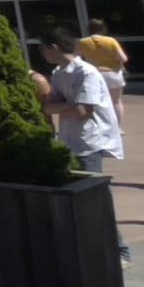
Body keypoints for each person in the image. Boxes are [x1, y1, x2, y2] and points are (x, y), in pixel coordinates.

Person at [43, 36, 129, 264]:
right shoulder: (59, 73)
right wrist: (65, 107)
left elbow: (83, 111)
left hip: (90, 142)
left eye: (42, 48)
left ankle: (120, 251)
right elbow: (48, 105)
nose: (42, 54)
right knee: (78, 198)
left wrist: (62, 107)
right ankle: (92, 249)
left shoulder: (86, 72)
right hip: (70, 141)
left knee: (94, 197)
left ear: (54, 47)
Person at [79, 20, 132, 102]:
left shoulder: (82, 42)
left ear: (88, 29)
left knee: (97, 101)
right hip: (113, 74)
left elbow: (77, 59)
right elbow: (124, 58)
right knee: (116, 102)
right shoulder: (110, 40)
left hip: (93, 74)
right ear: (103, 29)